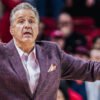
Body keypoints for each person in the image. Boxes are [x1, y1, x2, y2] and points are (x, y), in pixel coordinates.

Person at [1, 2, 100, 100]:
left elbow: (88, 69)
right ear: (11, 29)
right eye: (21, 21)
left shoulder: (52, 52)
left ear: (38, 29)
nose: (27, 25)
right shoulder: (2, 54)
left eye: (31, 21)